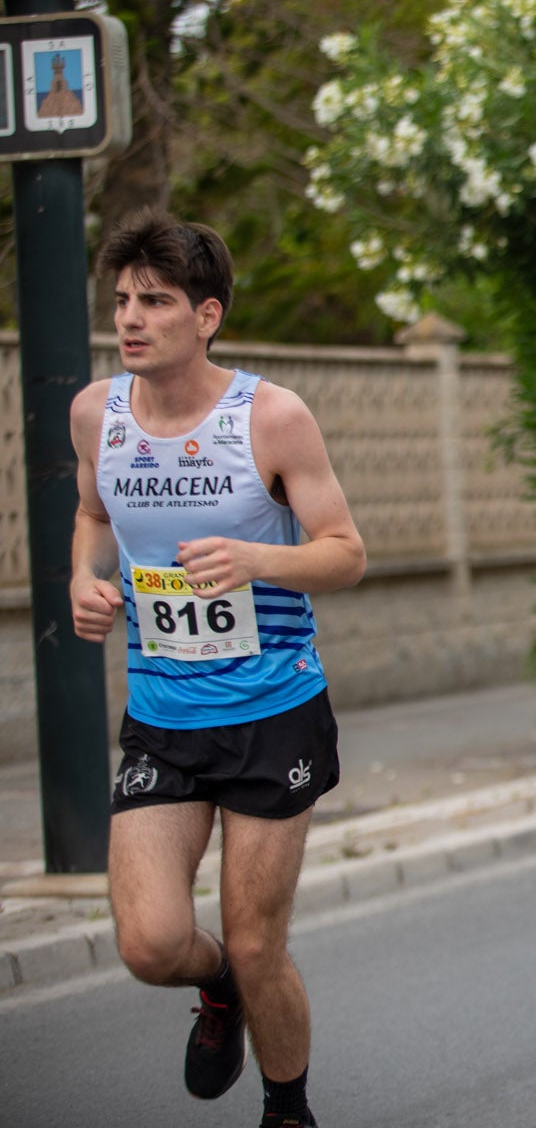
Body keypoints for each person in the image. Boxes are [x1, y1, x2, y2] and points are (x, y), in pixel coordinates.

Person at [69, 213, 367, 1128]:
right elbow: (92, 516)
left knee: (256, 934)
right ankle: (222, 989)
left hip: (275, 708)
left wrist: (256, 560)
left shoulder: (269, 417)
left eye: (154, 301)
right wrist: (83, 579)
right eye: (122, 300)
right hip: (162, 711)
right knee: (153, 943)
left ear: (205, 315)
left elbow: (346, 553)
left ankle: (288, 1109)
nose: (131, 318)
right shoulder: (95, 413)